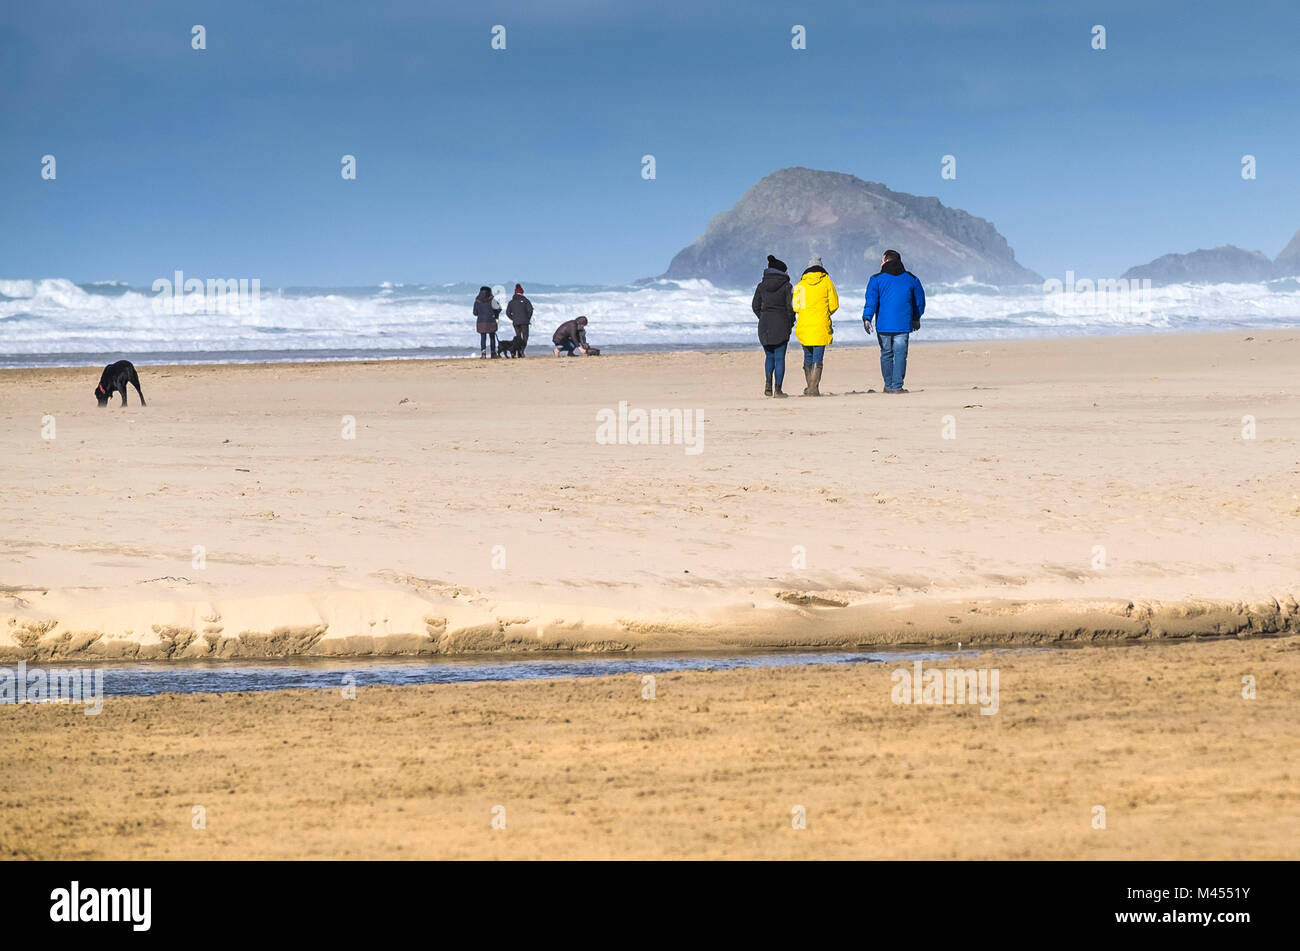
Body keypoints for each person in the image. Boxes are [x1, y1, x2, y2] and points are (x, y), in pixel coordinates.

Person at [862, 249, 925, 393]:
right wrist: (916, 318)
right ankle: (897, 386)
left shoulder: (876, 279)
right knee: (900, 355)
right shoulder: (911, 278)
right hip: (903, 324)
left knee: (886, 354)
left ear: (885, 260)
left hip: (883, 325)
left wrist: (867, 318)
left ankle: (889, 385)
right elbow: (919, 302)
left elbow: (871, 301)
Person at [792, 253, 839, 396]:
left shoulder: (801, 285)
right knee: (818, 358)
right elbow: (834, 305)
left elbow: (795, 306)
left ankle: (810, 387)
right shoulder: (827, 282)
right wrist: (824, 312)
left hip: (804, 326)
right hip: (821, 325)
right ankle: (814, 388)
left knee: (808, 357)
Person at [751, 254, 795, 398]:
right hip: (781, 324)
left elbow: (755, 306)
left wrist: (762, 316)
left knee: (769, 357)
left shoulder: (761, 286)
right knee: (779, 358)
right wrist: (789, 323)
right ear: (782, 271)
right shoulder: (787, 286)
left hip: (764, 325)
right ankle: (778, 390)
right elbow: (790, 308)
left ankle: (768, 385)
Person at [505, 283, 533, 356]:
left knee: (518, 337)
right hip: (524, 322)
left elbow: (507, 313)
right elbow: (530, 310)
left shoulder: (511, 302)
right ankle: (521, 350)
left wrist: (513, 318)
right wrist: (528, 318)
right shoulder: (526, 301)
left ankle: (518, 352)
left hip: (516, 322)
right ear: (522, 292)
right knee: (525, 337)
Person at [474, 285, 501, 358]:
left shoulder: (477, 301)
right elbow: (499, 309)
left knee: (483, 337)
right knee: (492, 337)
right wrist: (494, 314)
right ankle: (493, 353)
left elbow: (475, 313)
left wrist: (481, 314)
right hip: (491, 321)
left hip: (481, 322)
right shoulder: (492, 300)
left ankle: (483, 353)